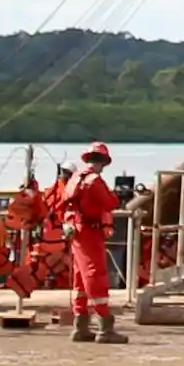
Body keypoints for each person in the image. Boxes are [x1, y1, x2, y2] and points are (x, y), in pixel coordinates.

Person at [61, 144, 124, 343]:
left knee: (80, 280)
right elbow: (111, 203)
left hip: (75, 231)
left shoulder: (74, 178)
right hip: (90, 232)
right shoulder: (94, 181)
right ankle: (105, 327)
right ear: (103, 162)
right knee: (95, 275)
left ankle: (80, 326)